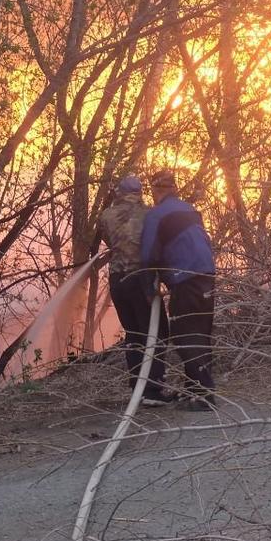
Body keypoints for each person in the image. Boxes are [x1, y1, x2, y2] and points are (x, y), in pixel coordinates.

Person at [140, 169, 217, 411]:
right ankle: (194, 390)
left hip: (186, 278)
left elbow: (148, 253)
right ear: (174, 188)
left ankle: (204, 396)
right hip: (206, 274)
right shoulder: (189, 210)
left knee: (185, 334)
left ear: (155, 190)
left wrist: (148, 286)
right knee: (201, 332)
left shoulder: (156, 215)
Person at [97, 175, 172, 406]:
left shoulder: (106, 216)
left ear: (118, 192)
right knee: (156, 332)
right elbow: (157, 244)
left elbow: (109, 241)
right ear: (140, 192)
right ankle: (152, 390)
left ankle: (137, 388)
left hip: (118, 281)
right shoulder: (150, 214)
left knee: (133, 334)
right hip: (141, 280)